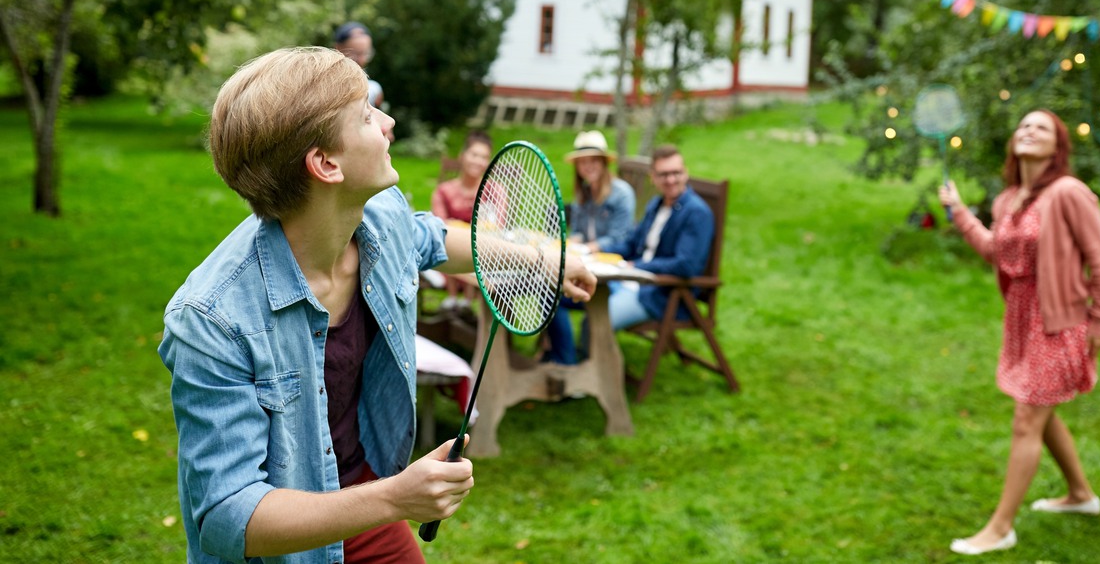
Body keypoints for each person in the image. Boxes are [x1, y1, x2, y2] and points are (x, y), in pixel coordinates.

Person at [158, 47, 595, 564]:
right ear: (325, 164)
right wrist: (394, 498)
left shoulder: (378, 214)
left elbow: (426, 238)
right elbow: (227, 517)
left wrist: (535, 260)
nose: (387, 123)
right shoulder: (212, 319)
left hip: (358, 493)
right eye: (366, 115)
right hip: (285, 542)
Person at [938, 109, 1100, 556]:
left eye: (1041, 127)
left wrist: (1099, 318)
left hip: (1061, 322)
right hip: (1021, 320)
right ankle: (1080, 495)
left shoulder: (1069, 193)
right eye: (1022, 125)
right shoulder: (1009, 200)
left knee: (1027, 419)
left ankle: (1000, 528)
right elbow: (995, 251)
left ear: (1058, 146)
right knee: (1040, 410)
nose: (1028, 130)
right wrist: (958, 211)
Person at [593, 145, 713, 333]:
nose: (671, 180)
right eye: (664, 174)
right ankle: (560, 357)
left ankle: (591, 362)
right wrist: (598, 252)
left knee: (596, 322)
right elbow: (631, 244)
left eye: (676, 173)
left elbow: (686, 265)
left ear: (686, 173)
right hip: (632, 281)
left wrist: (637, 267)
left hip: (661, 294)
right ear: (653, 177)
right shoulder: (656, 205)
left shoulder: (696, 213)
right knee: (575, 297)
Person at [541, 131, 636, 364]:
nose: (588, 166)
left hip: (615, 275)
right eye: (583, 162)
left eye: (593, 161)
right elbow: (580, 233)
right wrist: (573, 241)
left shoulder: (621, 193)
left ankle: (570, 361)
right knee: (547, 293)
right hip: (588, 266)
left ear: (604, 163)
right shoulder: (583, 193)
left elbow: (621, 240)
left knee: (554, 291)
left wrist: (589, 246)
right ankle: (565, 358)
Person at [429, 131, 493, 308]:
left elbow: (496, 226)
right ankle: (454, 298)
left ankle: (465, 301)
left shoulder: (495, 191)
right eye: (474, 155)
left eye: (484, 157)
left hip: (484, 260)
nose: (478, 161)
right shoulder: (444, 191)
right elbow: (439, 226)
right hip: (447, 260)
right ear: (462, 156)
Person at [334, 21, 385, 111]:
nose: (362, 60)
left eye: (366, 53)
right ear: (338, 49)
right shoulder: (329, 85)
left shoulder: (374, 89)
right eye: (354, 54)